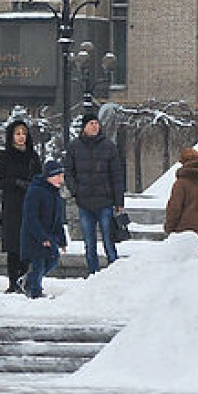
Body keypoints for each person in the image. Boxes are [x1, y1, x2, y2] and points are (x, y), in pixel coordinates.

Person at [65, 112, 125, 274]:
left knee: (108, 239)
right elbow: (68, 172)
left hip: (104, 201)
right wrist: (75, 190)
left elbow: (117, 175)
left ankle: (115, 272)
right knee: (89, 242)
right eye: (91, 123)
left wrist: (119, 202)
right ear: (84, 127)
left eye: (96, 123)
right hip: (84, 202)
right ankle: (93, 274)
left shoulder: (108, 146)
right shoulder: (74, 147)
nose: (95, 126)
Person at [0, 117, 43, 293]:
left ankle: (28, 279)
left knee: (29, 243)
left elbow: (40, 178)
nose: (21, 137)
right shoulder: (4, 156)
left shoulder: (33, 156)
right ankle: (14, 282)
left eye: (24, 133)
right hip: (13, 205)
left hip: (30, 204)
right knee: (13, 245)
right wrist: (16, 183)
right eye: (17, 134)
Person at [19, 158, 68, 298]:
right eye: (57, 176)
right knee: (38, 262)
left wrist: (62, 240)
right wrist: (42, 237)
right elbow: (31, 217)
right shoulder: (36, 191)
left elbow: (58, 219)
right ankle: (34, 290)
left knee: (53, 259)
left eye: (62, 176)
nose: (60, 179)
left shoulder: (55, 194)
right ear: (48, 177)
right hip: (34, 236)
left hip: (49, 235)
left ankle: (29, 280)